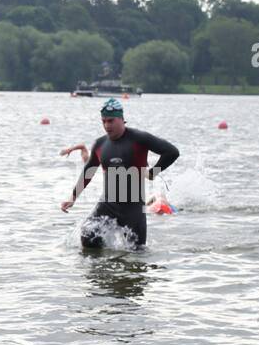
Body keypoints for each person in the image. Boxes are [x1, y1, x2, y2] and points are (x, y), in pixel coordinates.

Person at [62, 98, 179, 250]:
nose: (106, 126)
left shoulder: (139, 138)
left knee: (136, 257)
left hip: (133, 209)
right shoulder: (100, 144)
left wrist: (152, 173)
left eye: (111, 121)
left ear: (122, 119)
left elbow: (172, 152)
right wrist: (72, 197)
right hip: (107, 205)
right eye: (103, 121)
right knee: (88, 238)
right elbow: (88, 171)